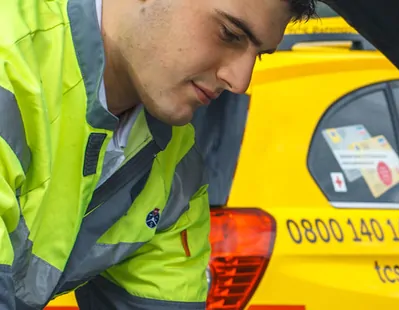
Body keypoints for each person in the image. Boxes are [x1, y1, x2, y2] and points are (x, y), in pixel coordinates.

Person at [0, 0, 317, 309]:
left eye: (258, 56)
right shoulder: (9, 61)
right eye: (229, 33)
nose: (239, 80)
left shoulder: (176, 169)